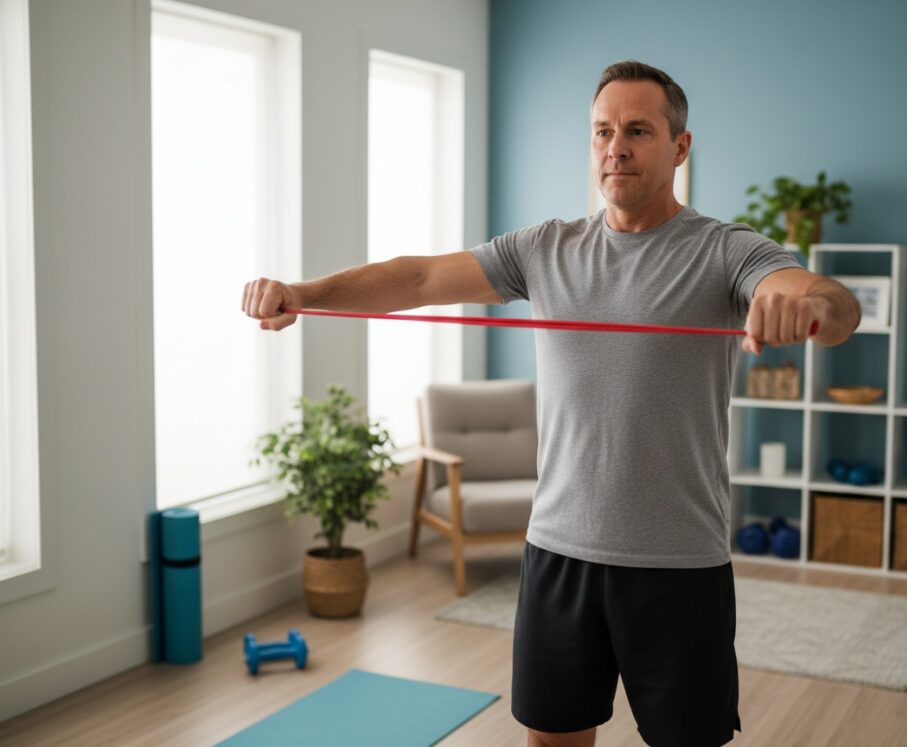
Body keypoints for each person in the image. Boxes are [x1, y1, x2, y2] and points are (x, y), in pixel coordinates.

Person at [242, 60, 860, 747]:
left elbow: (832, 304)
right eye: (601, 131)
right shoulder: (544, 248)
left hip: (680, 565)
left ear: (680, 147)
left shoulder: (725, 250)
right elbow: (417, 277)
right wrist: (303, 292)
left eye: (637, 130)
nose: (614, 146)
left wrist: (799, 302)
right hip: (558, 553)